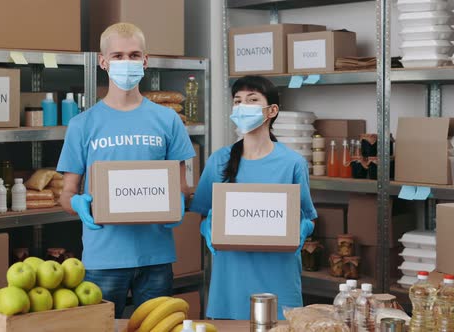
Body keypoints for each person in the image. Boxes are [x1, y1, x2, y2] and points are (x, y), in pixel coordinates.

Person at [57, 22, 195, 318]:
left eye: (134, 55)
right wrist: (78, 204)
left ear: (145, 61)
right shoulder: (83, 124)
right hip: (103, 259)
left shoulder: (168, 121)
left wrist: (180, 202)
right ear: (103, 62)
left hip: (156, 257)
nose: (126, 62)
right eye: (118, 56)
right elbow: (67, 193)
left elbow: (181, 186)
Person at [189, 75, 317, 320]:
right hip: (231, 281)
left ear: (272, 110)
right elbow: (203, 213)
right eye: (237, 101)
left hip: (279, 278)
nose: (242, 107)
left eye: (252, 99)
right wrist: (208, 227)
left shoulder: (292, 163)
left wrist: (301, 230)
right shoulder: (219, 161)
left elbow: (309, 218)